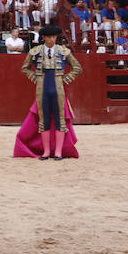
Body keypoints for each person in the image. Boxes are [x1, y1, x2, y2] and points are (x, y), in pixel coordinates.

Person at [19, 24, 83, 160]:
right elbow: (24, 68)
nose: (52, 39)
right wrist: (35, 77)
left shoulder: (63, 51)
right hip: (42, 88)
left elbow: (77, 67)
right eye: (49, 37)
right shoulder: (35, 51)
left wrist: (66, 79)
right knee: (44, 120)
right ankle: (46, 152)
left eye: (54, 36)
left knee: (60, 120)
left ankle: (58, 152)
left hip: (58, 88)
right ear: (43, 37)